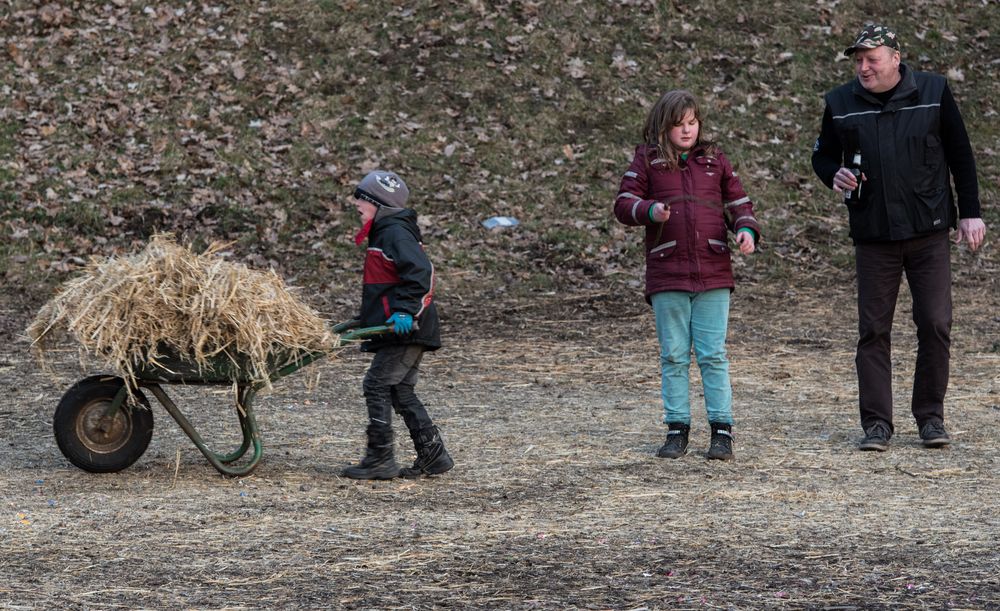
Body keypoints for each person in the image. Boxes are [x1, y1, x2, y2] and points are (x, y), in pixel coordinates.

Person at [811, 24, 987, 452]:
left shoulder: (933, 91)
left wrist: (971, 213)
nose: (863, 68)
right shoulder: (840, 102)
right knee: (873, 330)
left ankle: (930, 418)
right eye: (858, 61)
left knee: (935, 323)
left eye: (871, 59)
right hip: (873, 235)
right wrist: (831, 172)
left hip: (928, 232)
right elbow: (822, 154)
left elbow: (961, 154)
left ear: (895, 57)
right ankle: (876, 425)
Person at [614, 90, 761, 461]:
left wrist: (745, 230)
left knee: (713, 354)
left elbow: (738, 203)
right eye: (679, 124)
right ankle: (677, 428)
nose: (687, 130)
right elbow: (623, 203)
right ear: (662, 126)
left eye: (692, 123)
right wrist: (649, 211)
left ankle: (722, 430)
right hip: (668, 274)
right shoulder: (646, 161)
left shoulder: (715, 160)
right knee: (675, 355)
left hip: (713, 272)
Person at [341, 170, 454, 479]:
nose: (356, 203)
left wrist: (405, 311)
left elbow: (422, 273)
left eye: (362, 198)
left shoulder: (395, 232)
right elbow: (388, 283)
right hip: (404, 326)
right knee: (400, 390)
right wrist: (368, 318)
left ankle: (380, 458)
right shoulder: (385, 232)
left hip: (407, 327)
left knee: (376, 384)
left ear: (380, 203)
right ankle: (434, 454)